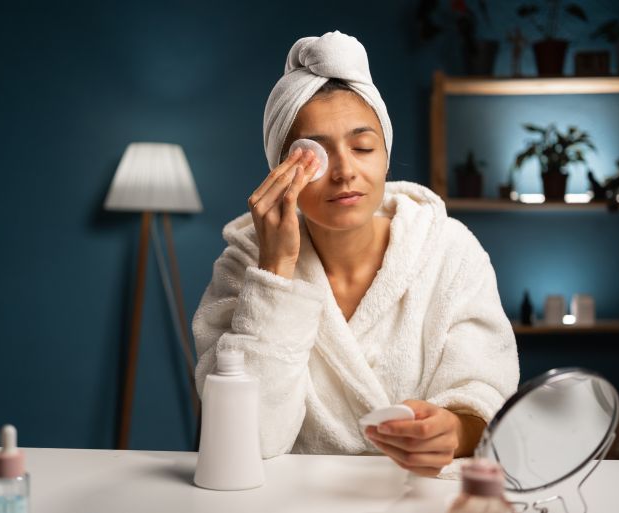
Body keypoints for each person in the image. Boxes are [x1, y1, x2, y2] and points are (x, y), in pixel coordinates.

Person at [193, 31, 519, 477]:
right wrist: (274, 274)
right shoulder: (244, 264)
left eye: (363, 147)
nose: (346, 171)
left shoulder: (448, 251)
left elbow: (484, 397)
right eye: (315, 155)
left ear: (385, 155)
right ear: (280, 171)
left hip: (419, 496)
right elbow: (247, 442)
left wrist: (454, 432)